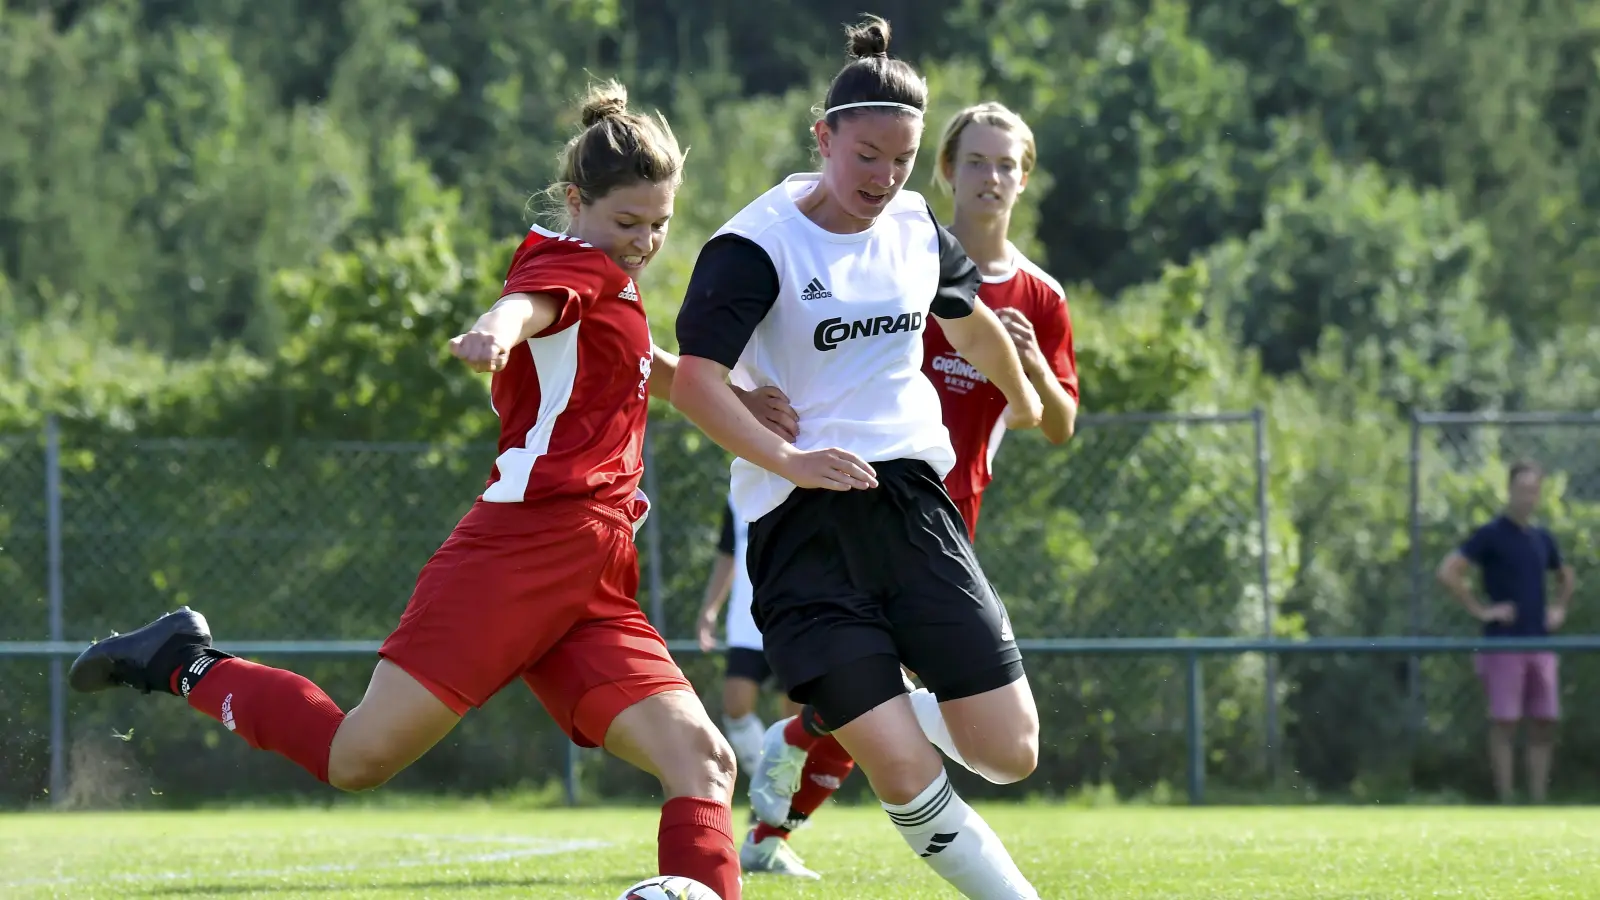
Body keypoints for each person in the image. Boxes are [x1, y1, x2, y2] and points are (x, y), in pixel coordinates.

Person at [63, 80, 792, 900]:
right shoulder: (570, 263)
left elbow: (640, 363)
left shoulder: (611, 283)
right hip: (518, 556)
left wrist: (734, 398)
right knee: (356, 758)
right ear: (575, 201)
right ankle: (182, 662)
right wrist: (492, 330)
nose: (646, 241)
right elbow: (527, 306)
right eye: (629, 222)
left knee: (702, 759)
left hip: (594, 575)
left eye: (660, 224)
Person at [671, 16, 1043, 899]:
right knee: (904, 771)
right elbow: (693, 384)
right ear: (823, 138)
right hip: (798, 529)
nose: (884, 177)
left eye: (903, 160)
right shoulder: (755, 245)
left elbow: (969, 322)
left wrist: (1024, 396)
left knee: (1010, 752)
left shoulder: (914, 224)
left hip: (912, 506)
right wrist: (787, 458)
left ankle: (865, 714)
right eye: (867, 156)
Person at [738, 100, 1083, 870]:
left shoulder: (1039, 296)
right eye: (975, 161)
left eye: (1007, 165)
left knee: (899, 710)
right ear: (946, 170)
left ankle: (787, 773)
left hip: (946, 514)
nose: (991, 177)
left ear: (1025, 179)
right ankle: (769, 832)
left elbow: (1058, 423)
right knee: (871, 696)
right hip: (856, 501)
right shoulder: (892, 251)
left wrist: (1028, 367)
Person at [1437, 459, 1576, 804]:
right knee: (1506, 721)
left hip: (1539, 642)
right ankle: (1507, 798)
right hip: (1503, 643)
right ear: (1509, 490)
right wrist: (1482, 610)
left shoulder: (1542, 538)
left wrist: (1559, 608)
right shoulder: (1490, 535)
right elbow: (1449, 572)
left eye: (1534, 490)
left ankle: (1538, 799)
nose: (1528, 497)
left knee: (1544, 720)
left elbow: (1566, 577)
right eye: (1523, 489)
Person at [693, 495, 818, 879]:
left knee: (794, 716)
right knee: (735, 704)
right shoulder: (737, 492)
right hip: (747, 622)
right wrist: (710, 608)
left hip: (796, 614)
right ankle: (766, 792)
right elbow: (727, 554)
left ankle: (779, 803)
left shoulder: (806, 475)